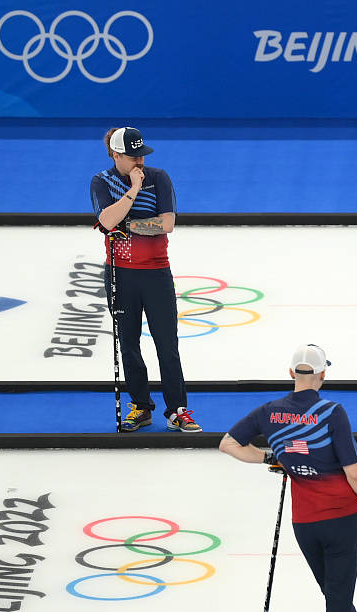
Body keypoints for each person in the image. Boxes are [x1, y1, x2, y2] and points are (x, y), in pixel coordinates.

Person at [219, 344, 357, 612]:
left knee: (333, 595)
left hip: (305, 522)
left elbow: (228, 444)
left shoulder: (269, 412)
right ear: (323, 375)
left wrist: (270, 456)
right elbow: (355, 472)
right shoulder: (331, 412)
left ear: (291, 373)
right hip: (341, 518)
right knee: (338, 601)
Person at [90, 126, 200, 432]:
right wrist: (133, 191)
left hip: (156, 273)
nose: (139, 160)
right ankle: (141, 407)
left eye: (141, 154)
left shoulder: (160, 177)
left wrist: (127, 225)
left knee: (167, 344)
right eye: (131, 155)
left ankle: (177, 409)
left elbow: (167, 224)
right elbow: (107, 220)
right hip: (120, 275)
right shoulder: (101, 181)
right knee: (128, 344)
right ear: (114, 155)